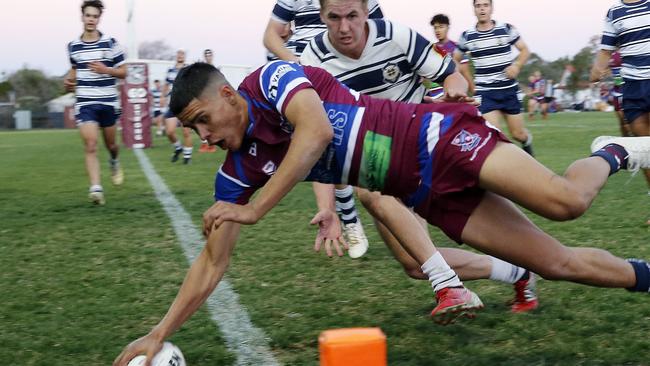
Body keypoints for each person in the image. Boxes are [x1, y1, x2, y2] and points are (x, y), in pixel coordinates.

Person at [113, 61, 650, 365]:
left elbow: (316, 131)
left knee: (567, 203)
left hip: (438, 139)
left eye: (204, 118)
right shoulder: (234, 172)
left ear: (229, 95)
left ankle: (614, 150)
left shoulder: (269, 81)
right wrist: (159, 332)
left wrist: (253, 209)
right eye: (194, 129)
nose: (204, 135)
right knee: (557, 264)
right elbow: (211, 263)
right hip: (424, 193)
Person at [301, 0, 537, 312]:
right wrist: (326, 207)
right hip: (376, 154)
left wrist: (453, 91)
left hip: (422, 146)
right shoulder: (311, 61)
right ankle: (517, 273)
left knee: (370, 190)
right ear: (322, 16)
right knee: (414, 264)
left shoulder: (398, 37)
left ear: (366, 11)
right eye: (334, 17)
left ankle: (451, 285)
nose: (344, 27)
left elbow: (452, 75)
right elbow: (319, 135)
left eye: (352, 16)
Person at [263, 0, 384, 254]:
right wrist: (295, 61)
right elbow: (271, 35)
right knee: (321, 145)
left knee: (356, 150)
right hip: (307, 74)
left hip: (347, 68)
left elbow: (380, 30)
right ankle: (346, 217)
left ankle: (357, 213)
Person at [64, 0, 126, 205]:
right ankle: (96, 188)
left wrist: (106, 70)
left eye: (95, 16)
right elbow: (74, 72)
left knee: (111, 145)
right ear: (82, 17)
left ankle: (114, 161)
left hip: (108, 101)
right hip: (85, 102)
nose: (91, 19)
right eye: (88, 15)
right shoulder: (73, 46)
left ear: (99, 19)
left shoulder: (110, 43)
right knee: (91, 145)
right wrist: (68, 82)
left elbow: (125, 72)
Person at [591, 0, 650, 213]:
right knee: (643, 147)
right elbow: (606, 50)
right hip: (632, 88)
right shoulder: (614, 13)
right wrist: (597, 69)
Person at [454, 0, 535, 156]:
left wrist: (516, 65)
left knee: (518, 134)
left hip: (508, 89)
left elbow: (525, 50)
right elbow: (455, 59)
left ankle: (527, 145)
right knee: (492, 136)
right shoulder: (467, 36)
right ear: (474, 10)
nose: (482, 9)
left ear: (491, 8)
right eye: (478, 6)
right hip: (485, 92)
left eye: (485, 5)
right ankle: (503, 174)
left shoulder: (506, 29)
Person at [263, 0, 383, 62]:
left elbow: (379, 34)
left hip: (342, 63)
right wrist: (296, 63)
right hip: (299, 61)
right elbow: (270, 36)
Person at [161, 49, 193, 164]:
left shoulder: (188, 70)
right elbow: (165, 85)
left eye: (182, 54)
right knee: (169, 132)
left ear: (184, 56)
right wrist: (162, 97)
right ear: (176, 56)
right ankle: (178, 148)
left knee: (186, 132)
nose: (180, 55)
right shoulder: (170, 70)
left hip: (185, 106)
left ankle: (187, 157)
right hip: (172, 105)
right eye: (178, 54)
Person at [430, 13, 474, 96]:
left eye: (441, 27)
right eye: (435, 28)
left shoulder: (457, 49)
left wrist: (475, 93)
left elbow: (466, 73)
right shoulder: (431, 50)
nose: (437, 30)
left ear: (447, 28)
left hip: (453, 94)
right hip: (435, 97)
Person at [199, 49, 217, 153]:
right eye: (206, 54)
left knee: (211, 121)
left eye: (209, 54)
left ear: (212, 56)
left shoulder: (215, 68)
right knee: (202, 120)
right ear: (204, 56)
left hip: (212, 97)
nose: (208, 56)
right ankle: (204, 144)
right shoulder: (202, 68)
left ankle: (212, 144)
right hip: (203, 97)